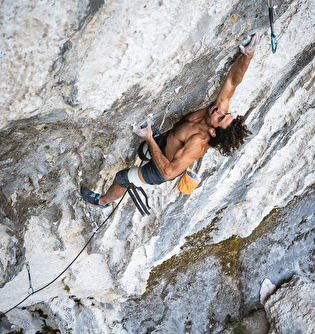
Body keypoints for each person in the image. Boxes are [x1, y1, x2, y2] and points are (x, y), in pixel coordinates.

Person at [81, 33, 261, 208]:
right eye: (225, 113)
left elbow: (168, 172)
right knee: (142, 153)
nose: (220, 110)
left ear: (213, 131)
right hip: (164, 142)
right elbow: (231, 81)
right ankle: (147, 151)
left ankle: (102, 202)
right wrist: (247, 56)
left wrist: (150, 138)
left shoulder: (198, 143)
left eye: (221, 117)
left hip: (161, 169)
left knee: (122, 178)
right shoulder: (215, 112)